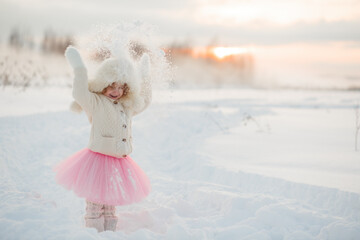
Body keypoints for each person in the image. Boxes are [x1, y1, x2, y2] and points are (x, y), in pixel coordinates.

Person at [54, 46, 152, 232]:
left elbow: (145, 101)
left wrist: (145, 76)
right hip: (97, 161)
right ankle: (94, 232)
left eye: (121, 87)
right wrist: (79, 69)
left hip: (118, 161)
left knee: (109, 202)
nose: (116, 91)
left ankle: (109, 233)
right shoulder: (95, 103)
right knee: (95, 202)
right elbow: (79, 93)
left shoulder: (127, 106)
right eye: (111, 86)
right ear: (102, 84)